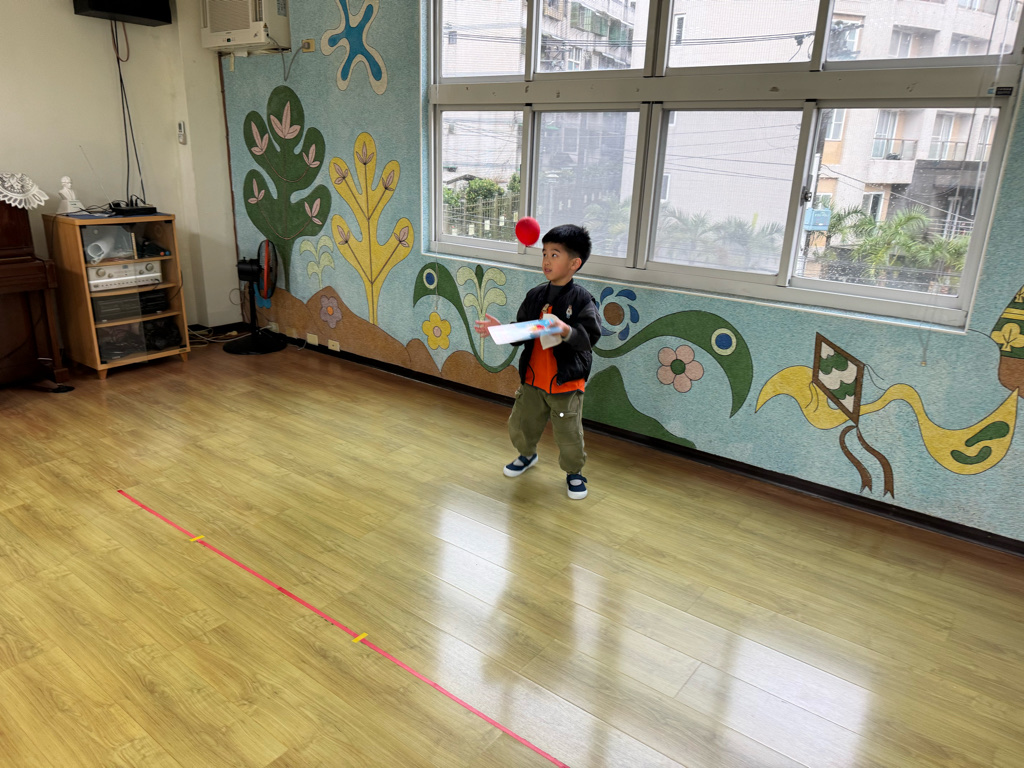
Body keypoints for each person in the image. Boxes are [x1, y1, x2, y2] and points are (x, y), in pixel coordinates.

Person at [475, 224, 602, 499]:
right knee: (522, 423)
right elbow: (524, 330)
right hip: (533, 379)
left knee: (568, 434)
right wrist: (501, 330)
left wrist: (565, 329)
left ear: (574, 263)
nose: (546, 260)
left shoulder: (582, 300)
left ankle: (574, 472)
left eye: (555, 254)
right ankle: (527, 455)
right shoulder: (535, 295)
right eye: (544, 253)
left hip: (565, 383)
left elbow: (589, 338)